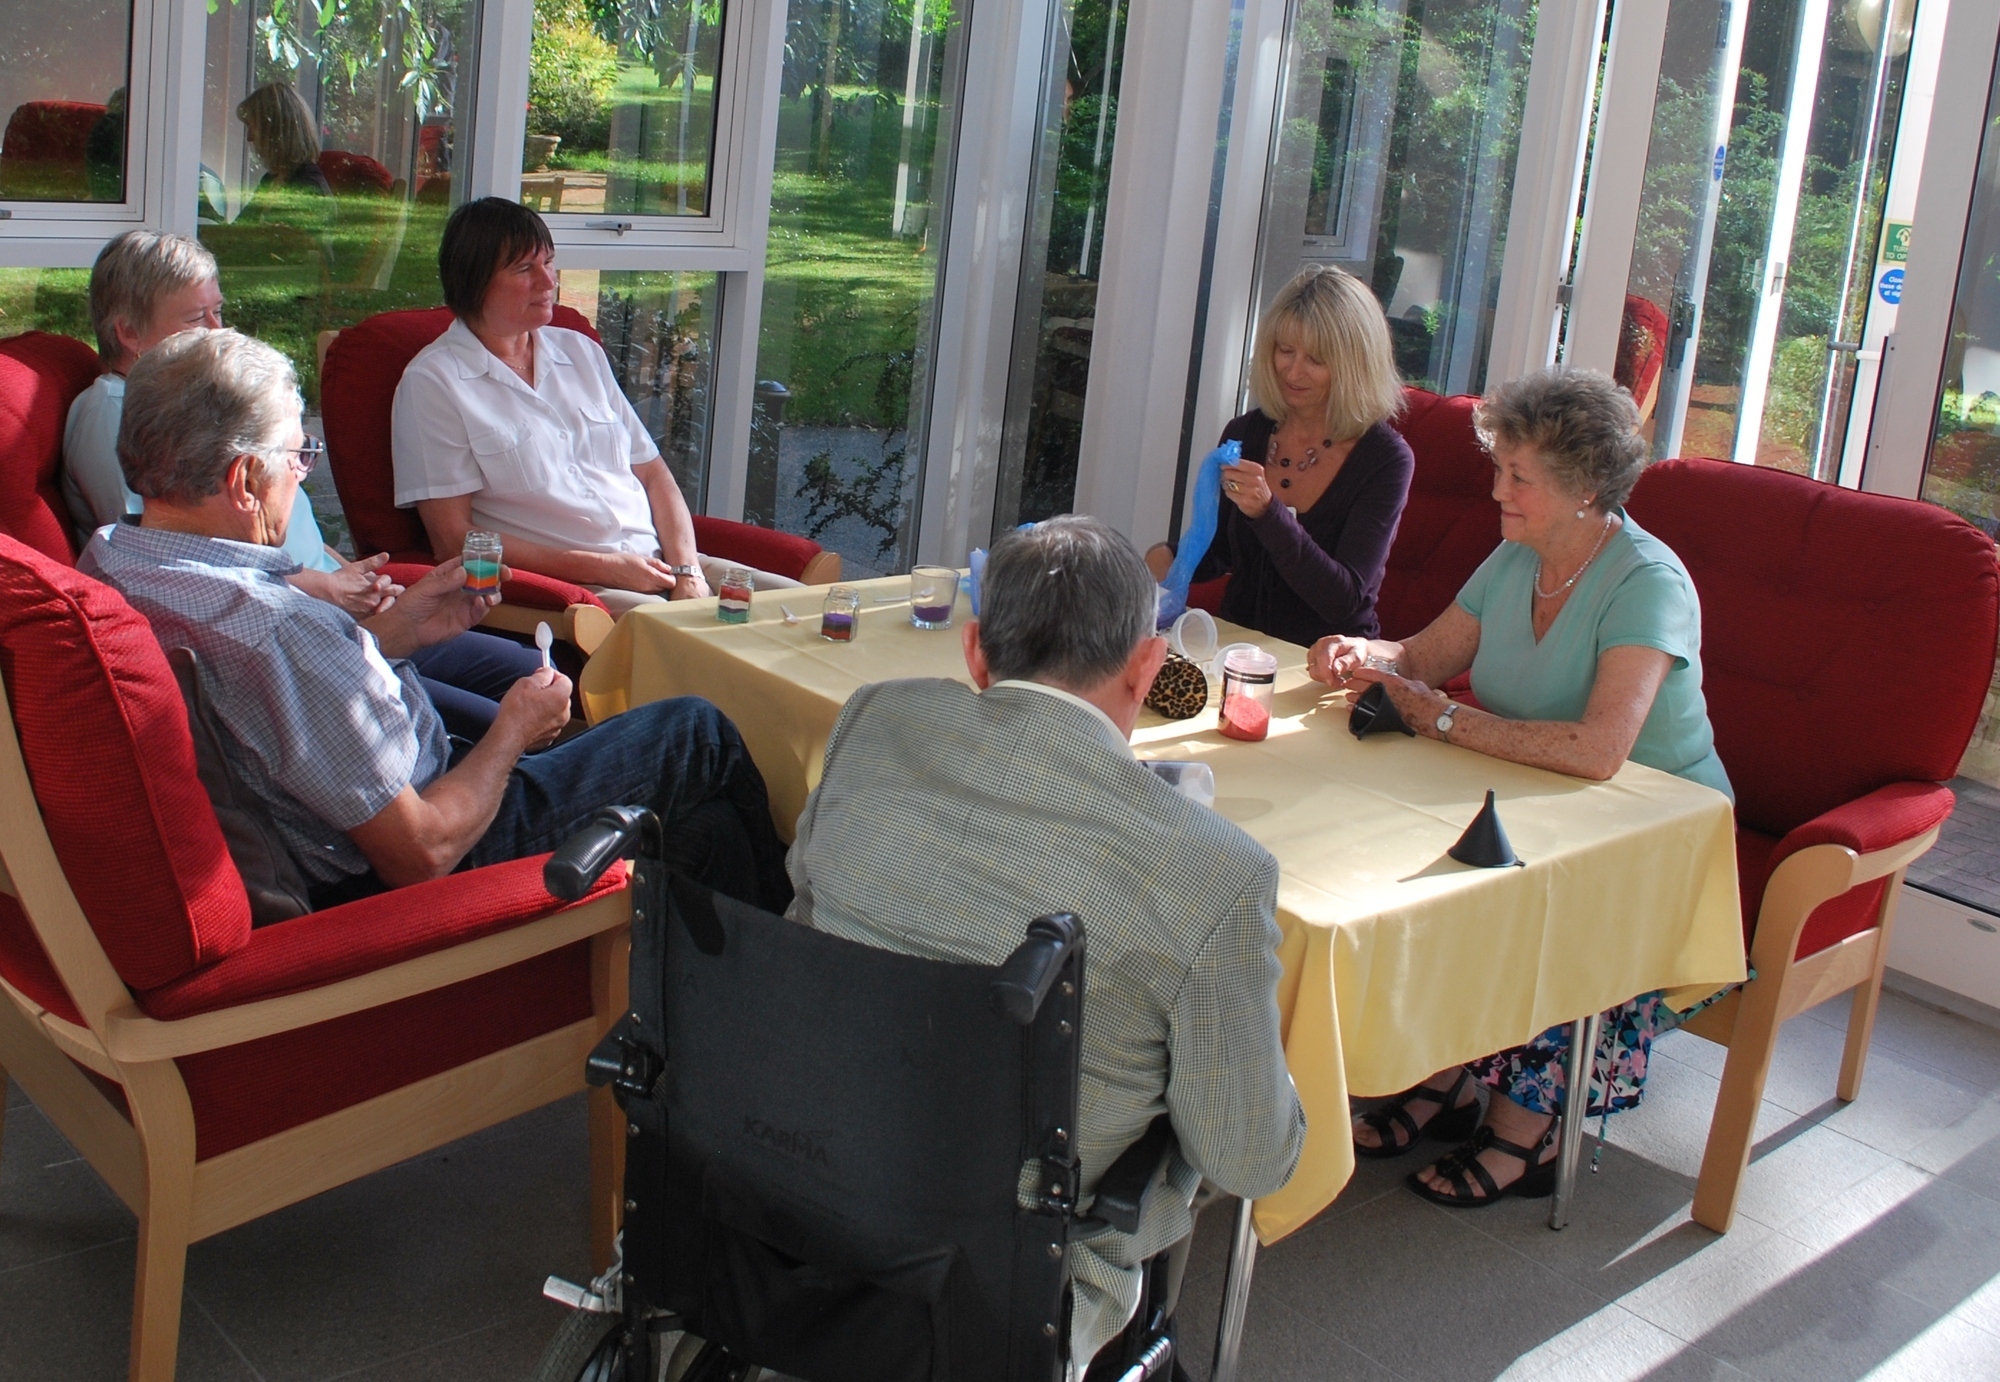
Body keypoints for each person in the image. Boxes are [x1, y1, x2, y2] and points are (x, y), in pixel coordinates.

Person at [786, 515, 1305, 1376]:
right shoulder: (1216, 873)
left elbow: (802, 900)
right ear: (1146, 669)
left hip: (806, 1163)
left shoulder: (875, 719)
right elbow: (1249, 1157)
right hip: (1008, 1264)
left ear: (977, 651)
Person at [81, 329, 788, 912]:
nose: (303, 472)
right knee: (695, 729)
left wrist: (394, 636)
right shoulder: (276, 627)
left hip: (389, 784)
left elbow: (279, 704)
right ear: (243, 480)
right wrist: (515, 729)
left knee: (711, 833)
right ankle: (799, 950)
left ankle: (712, 1001)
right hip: (442, 851)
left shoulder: (114, 560)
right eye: (299, 456)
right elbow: (422, 854)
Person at [1306, 366, 1730, 1208]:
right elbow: (1422, 660)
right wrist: (1358, 652)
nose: (1495, 488)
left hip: (1652, 837)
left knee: (1544, 902)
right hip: (1531, 803)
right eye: (1498, 467)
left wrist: (1446, 723)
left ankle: (1523, 1132)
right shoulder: (1517, 555)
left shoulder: (1648, 582)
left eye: (1517, 477)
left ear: (1583, 489)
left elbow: (1602, 748)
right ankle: (1444, 1076)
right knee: (1429, 876)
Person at [62, 229, 539, 742]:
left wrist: (350, 573)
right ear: (129, 333)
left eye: (219, 311)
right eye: (197, 319)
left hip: (332, 609)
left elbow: (288, 537)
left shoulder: (198, 412)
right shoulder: (117, 413)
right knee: (501, 722)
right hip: (293, 632)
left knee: (526, 668)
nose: (220, 330)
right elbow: (172, 560)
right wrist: (329, 590)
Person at [394, 198, 778, 613]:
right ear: (474, 280)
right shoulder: (434, 382)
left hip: (671, 564)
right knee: (721, 648)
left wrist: (688, 573)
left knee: (805, 609)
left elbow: (653, 474)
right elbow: (453, 540)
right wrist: (604, 568)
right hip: (581, 586)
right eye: (525, 269)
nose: (548, 282)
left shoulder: (579, 352)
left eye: (549, 263)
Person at [1161, 264, 1413, 645]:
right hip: (1237, 646)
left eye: (1316, 359)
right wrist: (1162, 561)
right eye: (1285, 350)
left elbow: (1343, 600)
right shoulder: (1247, 432)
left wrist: (1267, 512)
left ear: (1354, 365)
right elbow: (1220, 552)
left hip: (1328, 662)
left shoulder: (1385, 459)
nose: (1293, 372)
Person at [235, 83, 332, 206]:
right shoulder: (270, 179)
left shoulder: (308, 187)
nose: (249, 138)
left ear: (275, 131)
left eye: (253, 128)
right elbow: (243, 225)